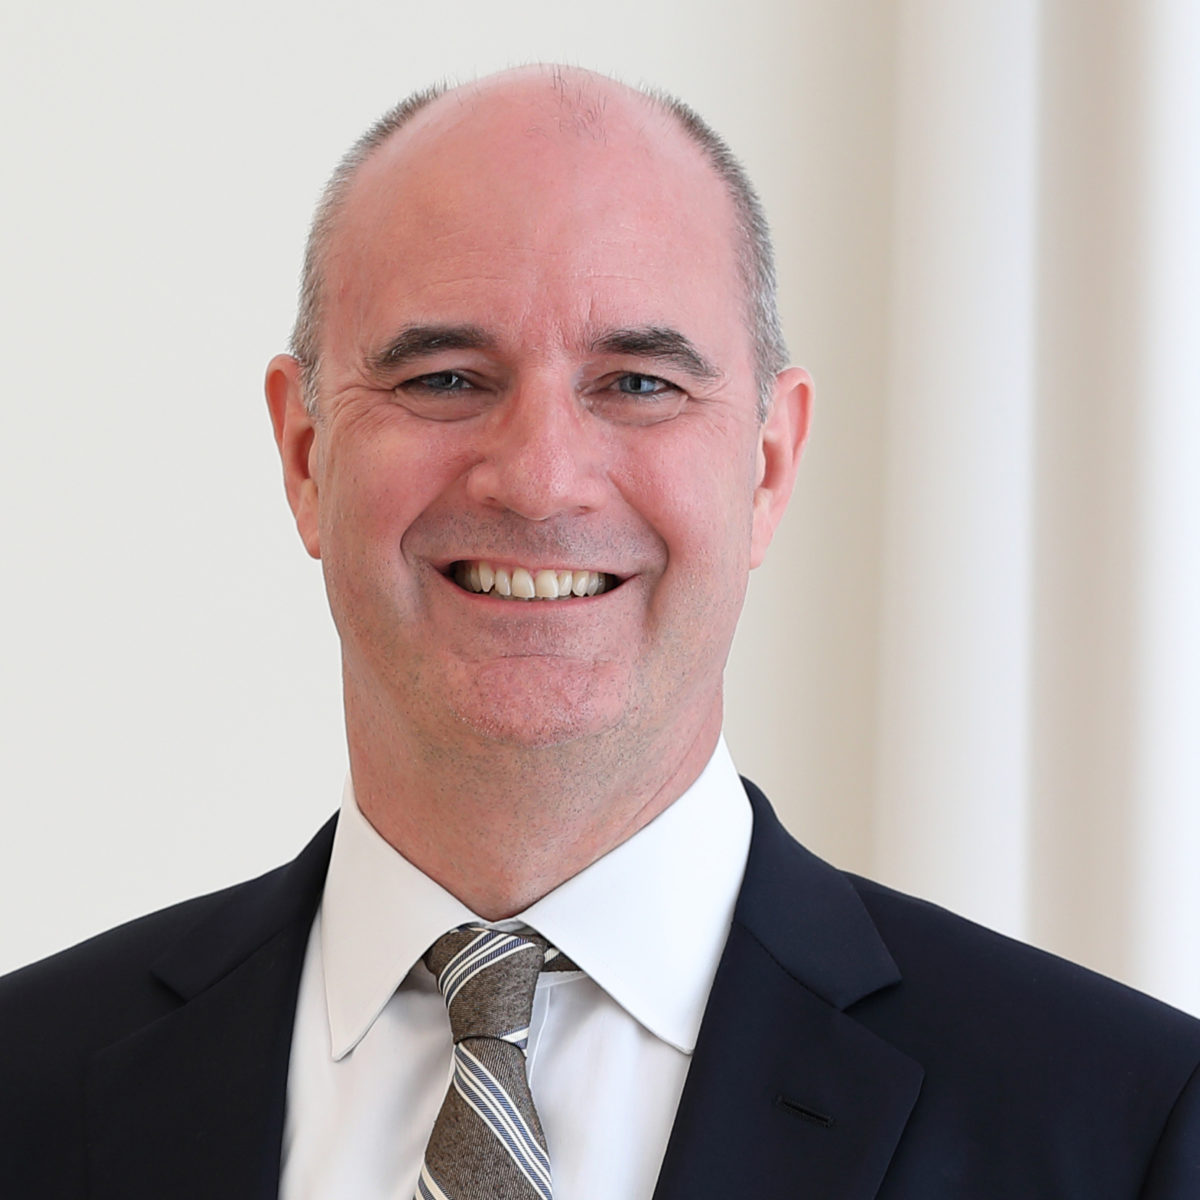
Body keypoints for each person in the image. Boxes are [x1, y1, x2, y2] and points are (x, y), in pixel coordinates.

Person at [2, 65, 1198, 1200]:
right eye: (445, 378)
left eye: (638, 383)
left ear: (769, 466)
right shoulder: (26, 1089)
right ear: (307, 456)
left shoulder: (1121, 1126)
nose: (540, 480)